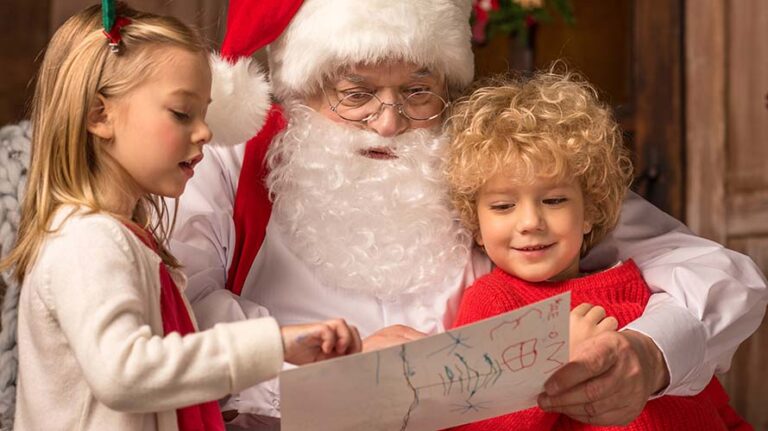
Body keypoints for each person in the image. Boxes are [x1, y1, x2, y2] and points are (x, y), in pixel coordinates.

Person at [170, 0, 768, 428]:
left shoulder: (487, 159)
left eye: (417, 91)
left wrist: (651, 353)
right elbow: (179, 309)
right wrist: (323, 366)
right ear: (303, 86)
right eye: (355, 94)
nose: (388, 122)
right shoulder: (230, 155)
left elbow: (715, 271)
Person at [0, 4, 360, 430]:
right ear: (100, 115)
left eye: (204, 113)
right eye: (181, 113)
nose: (206, 131)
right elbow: (126, 372)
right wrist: (272, 345)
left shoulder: (126, 238)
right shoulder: (88, 241)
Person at [444, 71, 751, 430]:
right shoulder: (492, 304)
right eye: (502, 206)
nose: (530, 222)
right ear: (476, 225)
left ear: (590, 211)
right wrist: (551, 360)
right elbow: (475, 424)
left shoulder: (638, 284)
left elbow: (705, 400)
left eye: (554, 200)